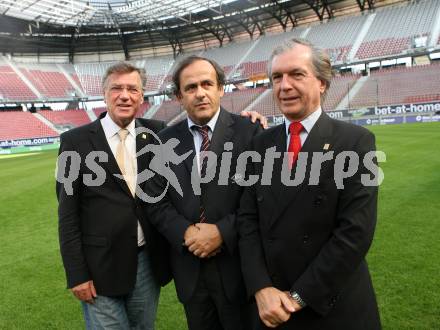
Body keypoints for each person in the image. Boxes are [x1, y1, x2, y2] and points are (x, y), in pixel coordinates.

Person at [237, 38, 381, 329]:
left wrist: (299, 297)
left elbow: (355, 232)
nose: (284, 85)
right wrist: (261, 288)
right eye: (277, 77)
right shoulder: (260, 144)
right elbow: (247, 222)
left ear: (322, 83)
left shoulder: (356, 142)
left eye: (296, 74)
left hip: (331, 307)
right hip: (271, 306)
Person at [144, 55, 263, 330]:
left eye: (207, 84)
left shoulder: (251, 132)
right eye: (191, 87)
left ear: (220, 89)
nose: (200, 93)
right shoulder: (164, 142)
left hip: (239, 268)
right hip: (190, 270)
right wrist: (186, 233)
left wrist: (222, 231)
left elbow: (259, 197)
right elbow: (155, 201)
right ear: (179, 96)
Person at [56, 62, 171, 329]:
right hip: (99, 266)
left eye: (133, 89)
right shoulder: (74, 141)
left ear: (142, 97)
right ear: (104, 93)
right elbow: (67, 213)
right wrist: (76, 273)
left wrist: (247, 121)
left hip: (145, 262)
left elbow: (197, 136)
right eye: (116, 88)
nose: (124, 95)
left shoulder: (158, 133)